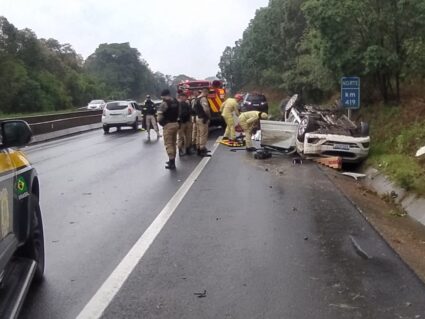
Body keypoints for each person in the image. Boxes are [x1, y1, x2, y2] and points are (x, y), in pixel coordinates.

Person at [157, 89, 180, 169]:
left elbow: (159, 117)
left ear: (164, 95)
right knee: (174, 143)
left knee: (168, 143)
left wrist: (162, 123)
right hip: (176, 123)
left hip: (168, 125)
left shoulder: (164, 103)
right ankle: (173, 159)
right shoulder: (176, 101)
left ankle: (171, 162)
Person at [194, 88, 211, 156]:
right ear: (206, 92)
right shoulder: (203, 99)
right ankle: (202, 149)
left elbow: (194, 108)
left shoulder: (196, 99)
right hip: (203, 118)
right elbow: (206, 109)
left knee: (198, 134)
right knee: (203, 134)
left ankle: (198, 148)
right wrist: (209, 116)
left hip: (198, 117)